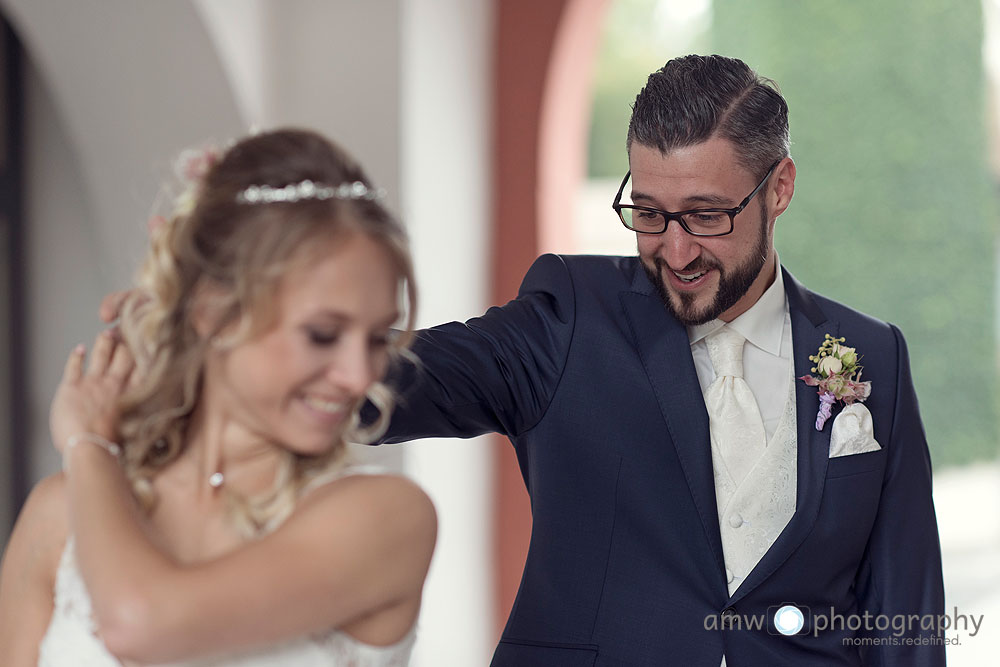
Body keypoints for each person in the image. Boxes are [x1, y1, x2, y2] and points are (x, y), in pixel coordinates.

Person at [379, 55, 945, 665]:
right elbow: (396, 381)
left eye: (706, 216)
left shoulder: (873, 354)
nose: (676, 251)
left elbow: (903, 615)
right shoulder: (567, 319)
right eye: (649, 214)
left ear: (779, 188)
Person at [0, 129, 436, 666]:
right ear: (211, 310)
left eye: (377, 339)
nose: (359, 375)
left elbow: (138, 623)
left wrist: (89, 444)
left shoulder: (385, 519)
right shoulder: (57, 514)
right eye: (323, 334)